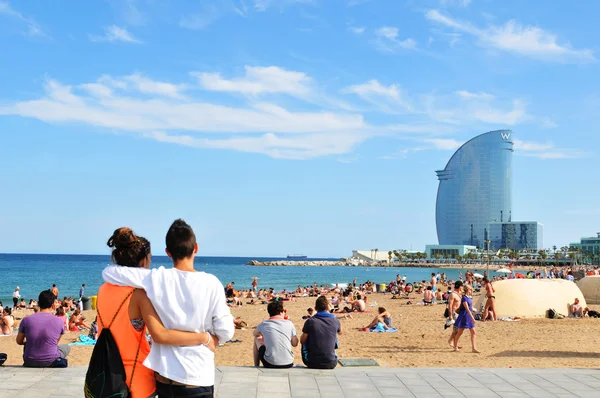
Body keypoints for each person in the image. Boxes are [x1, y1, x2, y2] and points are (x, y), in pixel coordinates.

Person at [102, 219, 235, 397]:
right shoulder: (211, 283)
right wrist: (212, 339)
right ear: (195, 248)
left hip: (165, 378)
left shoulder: (158, 278)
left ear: (167, 252)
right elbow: (226, 330)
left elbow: (111, 272)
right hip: (197, 377)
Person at [17, 289, 70, 367]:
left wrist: (27, 342)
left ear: (38, 303)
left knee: (29, 344)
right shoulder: (59, 321)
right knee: (66, 347)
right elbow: (55, 343)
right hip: (50, 360)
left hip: (29, 360)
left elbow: (19, 341)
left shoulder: (26, 319)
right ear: (52, 305)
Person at [253, 300, 298, 368]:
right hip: (288, 363)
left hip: (270, 363)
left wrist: (263, 336)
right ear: (281, 312)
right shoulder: (289, 323)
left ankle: (256, 365)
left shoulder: (264, 324)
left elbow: (255, 334)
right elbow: (295, 344)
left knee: (256, 339)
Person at [301, 296, 342, 369]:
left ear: (315, 308)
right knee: (332, 335)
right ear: (327, 307)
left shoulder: (310, 321)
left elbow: (302, 341)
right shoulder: (335, 320)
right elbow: (340, 332)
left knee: (305, 337)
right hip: (331, 363)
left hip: (312, 363)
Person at [452, 285, 479, 353]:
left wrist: (473, 309)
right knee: (460, 332)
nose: (471, 291)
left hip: (468, 315)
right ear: (467, 290)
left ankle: (474, 348)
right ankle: (455, 346)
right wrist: (472, 317)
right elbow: (466, 309)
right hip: (464, 316)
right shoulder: (464, 298)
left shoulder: (468, 297)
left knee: (473, 332)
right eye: (470, 290)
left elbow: (469, 307)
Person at [446, 281, 463, 347]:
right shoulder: (453, 294)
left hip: (459, 312)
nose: (462, 287)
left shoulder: (459, 293)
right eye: (461, 286)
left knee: (459, 329)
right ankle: (451, 341)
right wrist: (450, 315)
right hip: (454, 312)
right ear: (459, 286)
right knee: (456, 329)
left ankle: (453, 341)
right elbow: (450, 305)